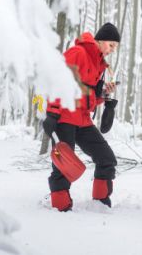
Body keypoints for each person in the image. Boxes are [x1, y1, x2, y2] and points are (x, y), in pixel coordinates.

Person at [43, 22, 120, 212]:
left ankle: (100, 201)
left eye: (115, 47)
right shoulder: (78, 53)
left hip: (83, 120)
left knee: (106, 158)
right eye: (111, 45)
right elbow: (58, 81)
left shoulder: (98, 63)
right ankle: (61, 207)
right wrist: (52, 113)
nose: (112, 50)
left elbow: (87, 96)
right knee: (64, 165)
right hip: (65, 117)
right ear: (100, 41)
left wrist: (103, 96)